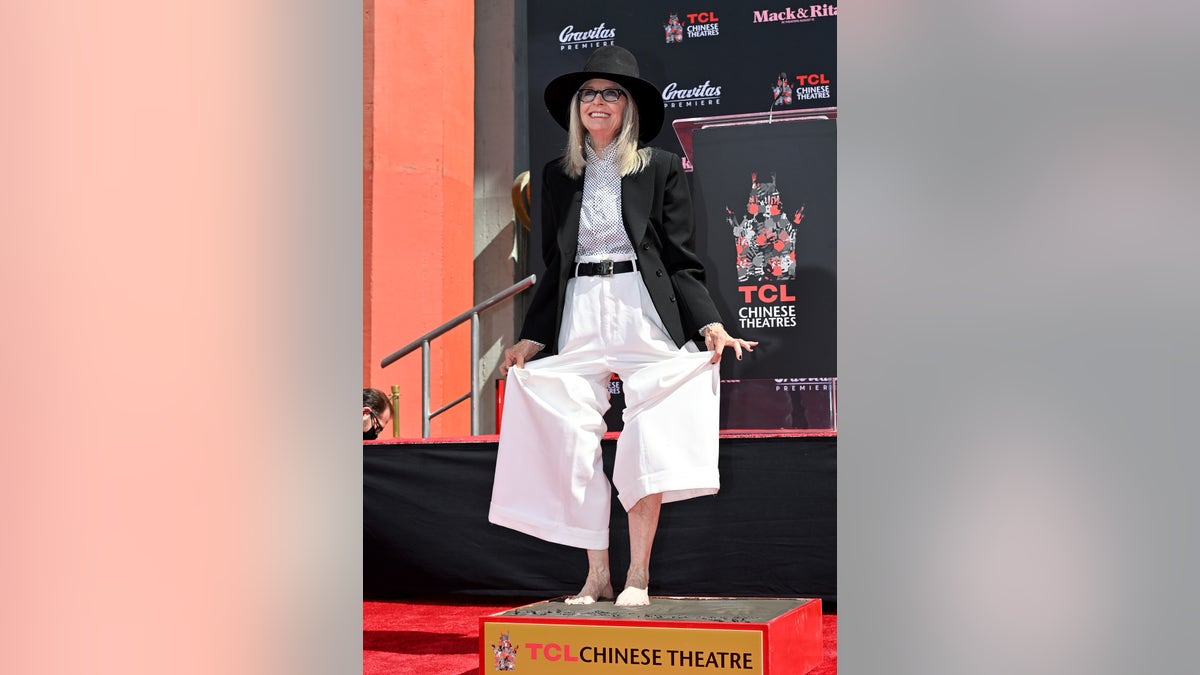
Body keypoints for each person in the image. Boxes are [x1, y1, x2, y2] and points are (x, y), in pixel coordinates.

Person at [488, 45, 757, 607]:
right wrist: (532, 337)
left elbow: (680, 259)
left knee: (649, 436)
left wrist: (708, 324)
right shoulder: (557, 174)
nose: (598, 102)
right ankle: (596, 576)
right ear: (576, 108)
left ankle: (637, 574)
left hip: (642, 306)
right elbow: (553, 266)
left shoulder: (658, 167)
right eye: (589, 94)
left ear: (630, 106)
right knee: (567, 434)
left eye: (611, 93)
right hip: (580, 307)